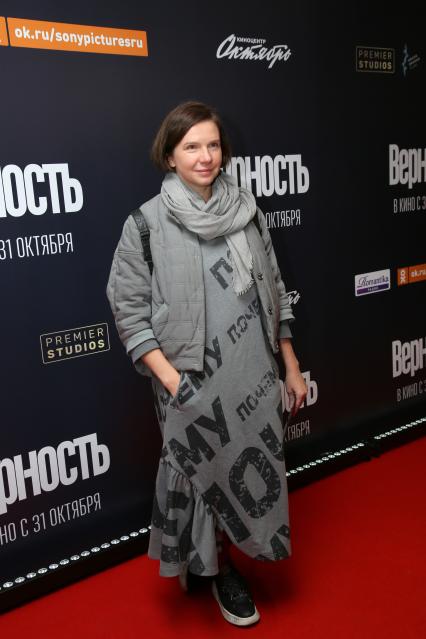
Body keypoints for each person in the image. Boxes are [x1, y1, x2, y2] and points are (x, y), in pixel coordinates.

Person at [107, 101, 307, 627]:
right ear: (169, 156)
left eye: (213, 145)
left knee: (245, 468)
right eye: (191, 146)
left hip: (252, 369)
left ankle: (225, 561)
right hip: (188, 377)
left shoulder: (247, 211)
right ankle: (216, 569)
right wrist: (173, 382)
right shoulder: (145, 224)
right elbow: (129, 313)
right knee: (199, 474)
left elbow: (275, 290)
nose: (205, 156)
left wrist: (289, 364)